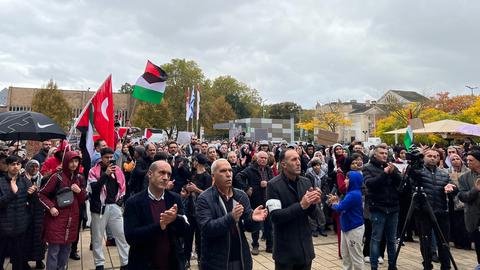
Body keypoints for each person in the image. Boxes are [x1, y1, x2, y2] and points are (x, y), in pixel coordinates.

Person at [196, 159, 267, 270]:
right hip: (216, 261)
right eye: (223, 171)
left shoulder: (240, 195)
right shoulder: (205, 198)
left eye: (230, 170)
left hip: (241, 258)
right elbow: (206, 228)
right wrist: (231, 217)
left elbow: (248, 226)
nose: (228, 174)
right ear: (213, 176)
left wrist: (253, 219)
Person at [124, 160, 188, 269]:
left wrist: (175, 219)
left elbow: (184, 231)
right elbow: (131, 237)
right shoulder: (134, 202)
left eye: (169, 174)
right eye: (161, 173)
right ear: (149, 174)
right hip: (144, 263)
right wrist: (159, 225)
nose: (165, 177)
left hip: (171, 262)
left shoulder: (174, 198)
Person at [266, 148, 321, 270]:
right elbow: (275, 217)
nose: (298, 162)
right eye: (294, 159)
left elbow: (315, 216)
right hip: (286, 253)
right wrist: (301, 205)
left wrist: (314, 203)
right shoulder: (273, 185)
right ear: (284, 164)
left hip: (305, 250)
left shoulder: (306, 182)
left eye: (299, 159)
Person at [38, 151, 86, 270]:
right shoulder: (57, 177)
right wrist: (51, 207)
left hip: (72, 220)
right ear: (65, 162)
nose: (74, 164)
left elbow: (83, 199)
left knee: (66, 250)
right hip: (56, 218)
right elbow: (41, 194)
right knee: (54, 250)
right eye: (71, 161)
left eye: (76, 161)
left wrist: (79, 191)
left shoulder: (79, 178)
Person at [411, 149, 457, 270]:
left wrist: (451, 188)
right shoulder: (418, 172)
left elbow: (454, 188)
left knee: (444, 242)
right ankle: (427, 264)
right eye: (429, 156)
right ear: (424, 157)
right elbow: (410, 182)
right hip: (423, 212)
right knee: (425, 241)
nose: (433, 158)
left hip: (441, 211)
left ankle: (446, 266)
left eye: (436, 156)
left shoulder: (444, 173)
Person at [87, 147, 129, 270]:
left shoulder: (118, 170)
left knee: (121, 235)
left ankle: (125, 263)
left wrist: (119, 202)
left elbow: (123, 187)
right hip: (99, 208)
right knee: (97, 237)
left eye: (111, 157)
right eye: (107, 157)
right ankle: (99, 264)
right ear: (101, 158)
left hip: (114, 206)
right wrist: (105, 175)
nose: (110, 160)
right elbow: (94, 189)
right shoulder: (93, 171)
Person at [363, 145, 401, 270]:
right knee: (376, 239)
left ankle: (392, 265)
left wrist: (394, 172)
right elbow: (370, 184)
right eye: (381, 153)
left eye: (386, 153)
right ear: (375, 154)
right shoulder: (367, 168)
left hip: (393, 208)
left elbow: (400, 184)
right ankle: (374, 266)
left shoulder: (390, 166)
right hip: (378, 208)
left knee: (391, 240)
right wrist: (384, 174)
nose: (384, 155)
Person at [235, 151, 274, 254]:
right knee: (256, 222)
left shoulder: (269, 169)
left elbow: (273, 181)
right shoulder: (251, 169)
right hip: (256, 199)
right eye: (261, 158)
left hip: (268, 199)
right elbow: (238, 177)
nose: (263, 160)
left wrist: (268, 183)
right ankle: (255, 245)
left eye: (265, 158)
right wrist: (247, 188)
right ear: (257, 159)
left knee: (269, 224)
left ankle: (270, 245)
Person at [0, 155, 34, 270]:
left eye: (18, 164)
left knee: (18, 261)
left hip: (20, 227)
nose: (15, 167)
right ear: (7, 166)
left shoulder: (25, 181)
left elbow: (31, 203)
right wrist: (12, 193)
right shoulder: (0, 182)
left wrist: (32, 194)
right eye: (13, 164)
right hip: (3, 228)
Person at [329, 171, 365, 270]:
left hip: (353, 228)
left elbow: (340, 208)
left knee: (356, 257)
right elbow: (345, 205)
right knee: (346, 255)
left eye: (347, 178)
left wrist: (334, 203)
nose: (345, 180)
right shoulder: (351, 193)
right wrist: (337, 202)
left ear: (354, 181)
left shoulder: (353, 194)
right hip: (347, 227)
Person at [22, 159, 46, 269]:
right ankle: (24, 260)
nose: (34, 169)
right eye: (32, 166)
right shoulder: (22, 179)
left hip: (39, 212)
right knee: (26, 238)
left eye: (36, 167)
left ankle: (38, 260)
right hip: (25, 212)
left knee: (39, 238)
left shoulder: (42, 178)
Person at [458, 150, 480, 265]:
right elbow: (463, 197)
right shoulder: (464, 178)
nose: (468, 162)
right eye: (467, 160)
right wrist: (475, 190)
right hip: (474, 219)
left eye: (471, 160)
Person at [305, 157, 328, 237]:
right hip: (312, 196)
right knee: (313, 212)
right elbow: (308, 186)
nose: (316, 167)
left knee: (321, 213)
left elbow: (325, 186)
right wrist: (313, 192)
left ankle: (322, 228)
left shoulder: (324, 175)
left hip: (321, 196)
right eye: (314, 165)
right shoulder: (308, 175)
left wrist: (322, 195)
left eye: (318, 165)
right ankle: (314, 229)